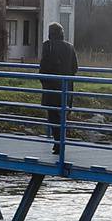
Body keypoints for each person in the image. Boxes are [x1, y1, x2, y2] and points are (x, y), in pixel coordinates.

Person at [38, 21, 78, 153]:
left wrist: (43, 80)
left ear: (51, 34)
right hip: (67, 87)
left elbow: (44, 66)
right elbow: (75, 68)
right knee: (62, 117)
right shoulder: (70, 47)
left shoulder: (48, 46)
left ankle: (58, 144)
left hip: (52, 87)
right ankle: (60, 143)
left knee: (53, 116)